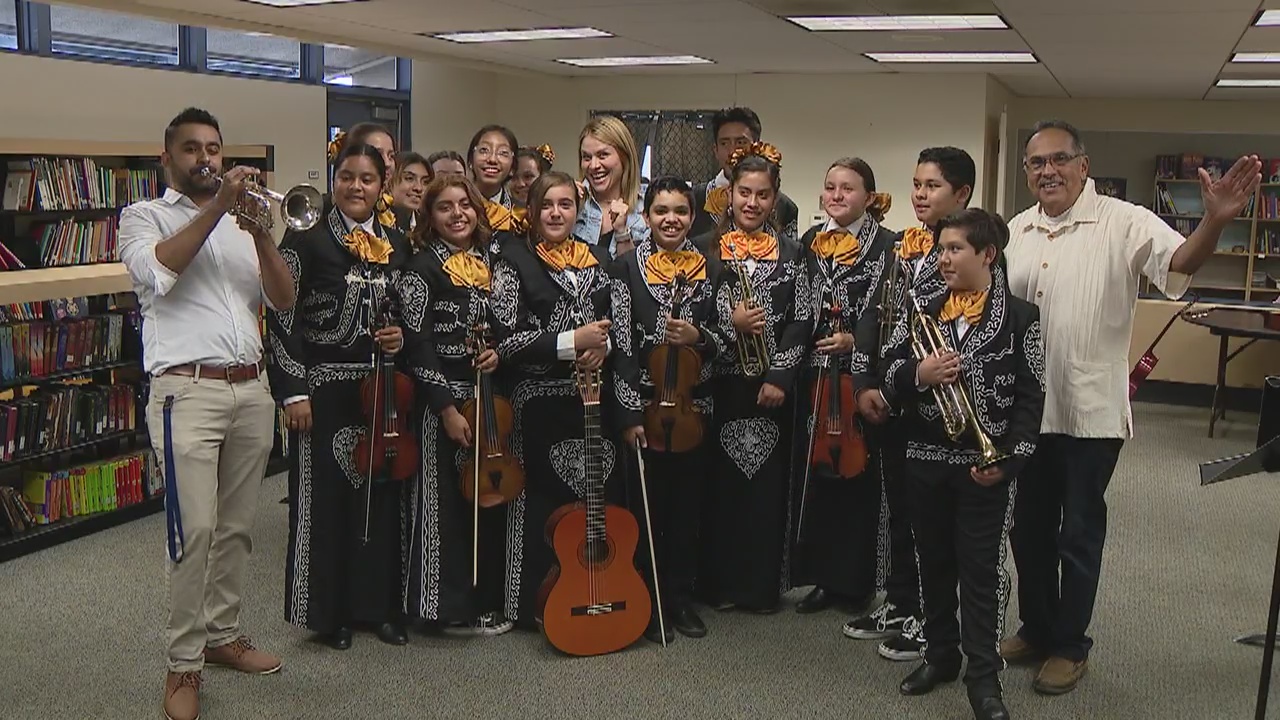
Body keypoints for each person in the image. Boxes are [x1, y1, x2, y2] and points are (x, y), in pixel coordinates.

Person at [1001, 119, 1261, 695]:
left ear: (1083, 165)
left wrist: (1216, 220)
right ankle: (1038, 627)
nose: (1048, 171)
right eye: (1037, 163)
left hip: (1090, 413)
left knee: (1078, 533)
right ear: (1027, 172)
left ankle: (1071, 645)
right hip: (1026, 412)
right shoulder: (1016, 230)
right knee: (1030, 529)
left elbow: (1181, 264)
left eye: (1059, 160)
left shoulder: (1125, 221)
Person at [118, 107, 294, 720]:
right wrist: (218, 206)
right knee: (192, 533)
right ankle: (183, 664)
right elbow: (158, 270)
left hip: (251, 389)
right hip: (185, 392)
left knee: (238, 528)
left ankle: (222, 636)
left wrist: (263, 232)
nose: (206, 158)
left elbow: (283, 297)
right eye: (192, 149)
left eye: (214, 148)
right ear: (167, 158)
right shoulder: (143, 218)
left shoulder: (243, 225)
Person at [882, 208, 1044, 720]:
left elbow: (1030, 398)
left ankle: (984, 679)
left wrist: (1012, 460)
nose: (943, 259)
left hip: (985, 465)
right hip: (925, 458)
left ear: (987, 255)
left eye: (954, 249)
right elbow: (888, 372)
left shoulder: (1022, 317)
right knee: (932, 562)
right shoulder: (923, 310)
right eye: (941, 249)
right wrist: (918, 373)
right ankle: (940, 655)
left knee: (979, 572)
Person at [267, 141, 412, 651]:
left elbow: (408, 314)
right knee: (324, 504)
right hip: (323, 392)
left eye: (367, 179)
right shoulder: (305, 239)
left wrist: (399, 337)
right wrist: (293, 392)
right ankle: (329, 614)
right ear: (334, 181)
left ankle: (379, 608)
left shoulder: (398, 243)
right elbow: (281, 317)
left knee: (381, 501)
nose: (356, 186)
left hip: (383, 393)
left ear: (381, 187)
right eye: (347, 176)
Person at [851, 146, 977, 663]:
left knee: (934, 522)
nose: (920, 195)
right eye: (916, 184)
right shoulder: (902, 244)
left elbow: (950, 337)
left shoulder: (972, 249)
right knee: (897, 511)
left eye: (932, 186)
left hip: (934, 407)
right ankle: (902, 600)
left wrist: (899, 383)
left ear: (961, 194)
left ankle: (935, 616)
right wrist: (865, 382)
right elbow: (871, 316)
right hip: (890, 400)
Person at [488, 170, 620, 626]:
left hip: (593, 400)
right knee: (539, 505)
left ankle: (595, 589)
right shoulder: (512, 261)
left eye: (566, 204)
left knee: (595, 499)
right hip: (537, 403)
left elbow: (621, 328)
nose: (556, 213)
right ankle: (532, 606)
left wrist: (604, 348)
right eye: (547, 205)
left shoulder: (602, 260)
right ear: (532, 211)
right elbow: (507, 341)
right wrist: (573, 340)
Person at [694, 142, 812, 614]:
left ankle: (760, 587)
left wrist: (780, 376)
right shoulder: (703, 250)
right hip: (717, 385)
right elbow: (691, 312)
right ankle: (717, 584)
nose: (752, 203)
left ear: (775, 197)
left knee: (765, 490)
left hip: (770, 389)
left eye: (763, 195)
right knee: (719, 487)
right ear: (729, 195)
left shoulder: (795, 253)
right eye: (744, 192)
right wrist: (730, 328)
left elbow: (803, 319)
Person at [399, 174, 516, 636]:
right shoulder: (421, 267)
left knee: (489, 501)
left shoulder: (497, 262)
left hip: (491, 402)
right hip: (442, 403)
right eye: (445, 207)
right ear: (430, 217)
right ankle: (440, 607)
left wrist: (500, 350)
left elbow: (511, 320)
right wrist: (446, 408)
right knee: (443, 503)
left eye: (464, 204)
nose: (457, 214)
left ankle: (486, 600)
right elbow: (417, 343)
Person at [612, 175, 721, 643]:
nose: (670, 219)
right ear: (646, 216)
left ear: (692, 216)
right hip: (646, 408)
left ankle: (679, 598)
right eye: (661, 211)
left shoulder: (713, 269)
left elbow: (730, 336)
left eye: (680, 211)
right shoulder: (624, 268)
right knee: (645, 507)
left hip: (695, 409)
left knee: (689, 509)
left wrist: (700, 338)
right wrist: (630, 414)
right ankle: (647, 598)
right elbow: (618, 343)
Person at [790, 158, 895, 616]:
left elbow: (890, 314)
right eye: (830, 186)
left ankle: (857, 583)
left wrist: (856, 339)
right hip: (815, 374)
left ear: (868, 197)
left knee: (859, 478)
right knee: (820, 478)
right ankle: (824, 578)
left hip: (859, 374)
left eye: (848, 188)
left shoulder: (889, 247)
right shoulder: (811, 242)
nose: (836, 195)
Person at [691, 107, 800, 240]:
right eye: (724, 143)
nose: (732, 151)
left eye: (741, 142)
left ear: (756, 146)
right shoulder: (693, 199)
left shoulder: (785, 206)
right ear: (715, 150)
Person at [575, 115, 650, 257]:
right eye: (586, 157)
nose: (594, 165)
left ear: (624, 157)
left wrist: (623, 235)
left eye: (603, 155)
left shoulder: (646, 208)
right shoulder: (571, 205)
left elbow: (642, 274)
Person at [329, 122, 399, 229]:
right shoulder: (315, 227)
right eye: (378, 155)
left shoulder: (397, 217)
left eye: (391, 156)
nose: (387, 163)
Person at [388, 150, 431, 233]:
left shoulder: (428, 228)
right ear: (389, 180)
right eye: (409, 178)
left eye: (425, 182)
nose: (419, 188)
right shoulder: (375, 224)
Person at [509, 144, 554, 208]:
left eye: (528, 176)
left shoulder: (555, 213)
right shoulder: (497, 213)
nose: (520, 184)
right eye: (513, 177)